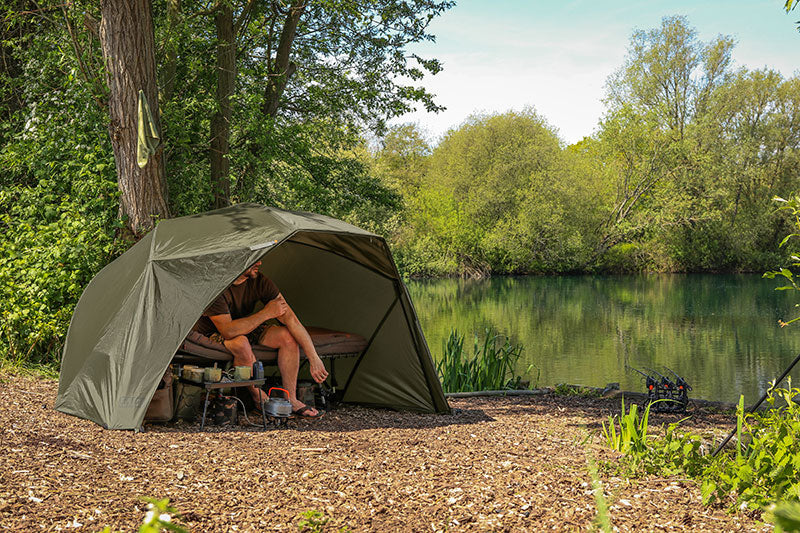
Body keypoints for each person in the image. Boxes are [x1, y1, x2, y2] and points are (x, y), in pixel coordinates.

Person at [192, 260, 328, 418]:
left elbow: (292, 320)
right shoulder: (217, 286)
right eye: (254, 259)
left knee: (287, 336)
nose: (260, 262)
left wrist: (314, 357)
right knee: (241, 342)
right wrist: (266, 313)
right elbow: (228, 331)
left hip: (246, 326)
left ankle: (291, 399)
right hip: (213, 332)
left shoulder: (260, 281)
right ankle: (259, 398)